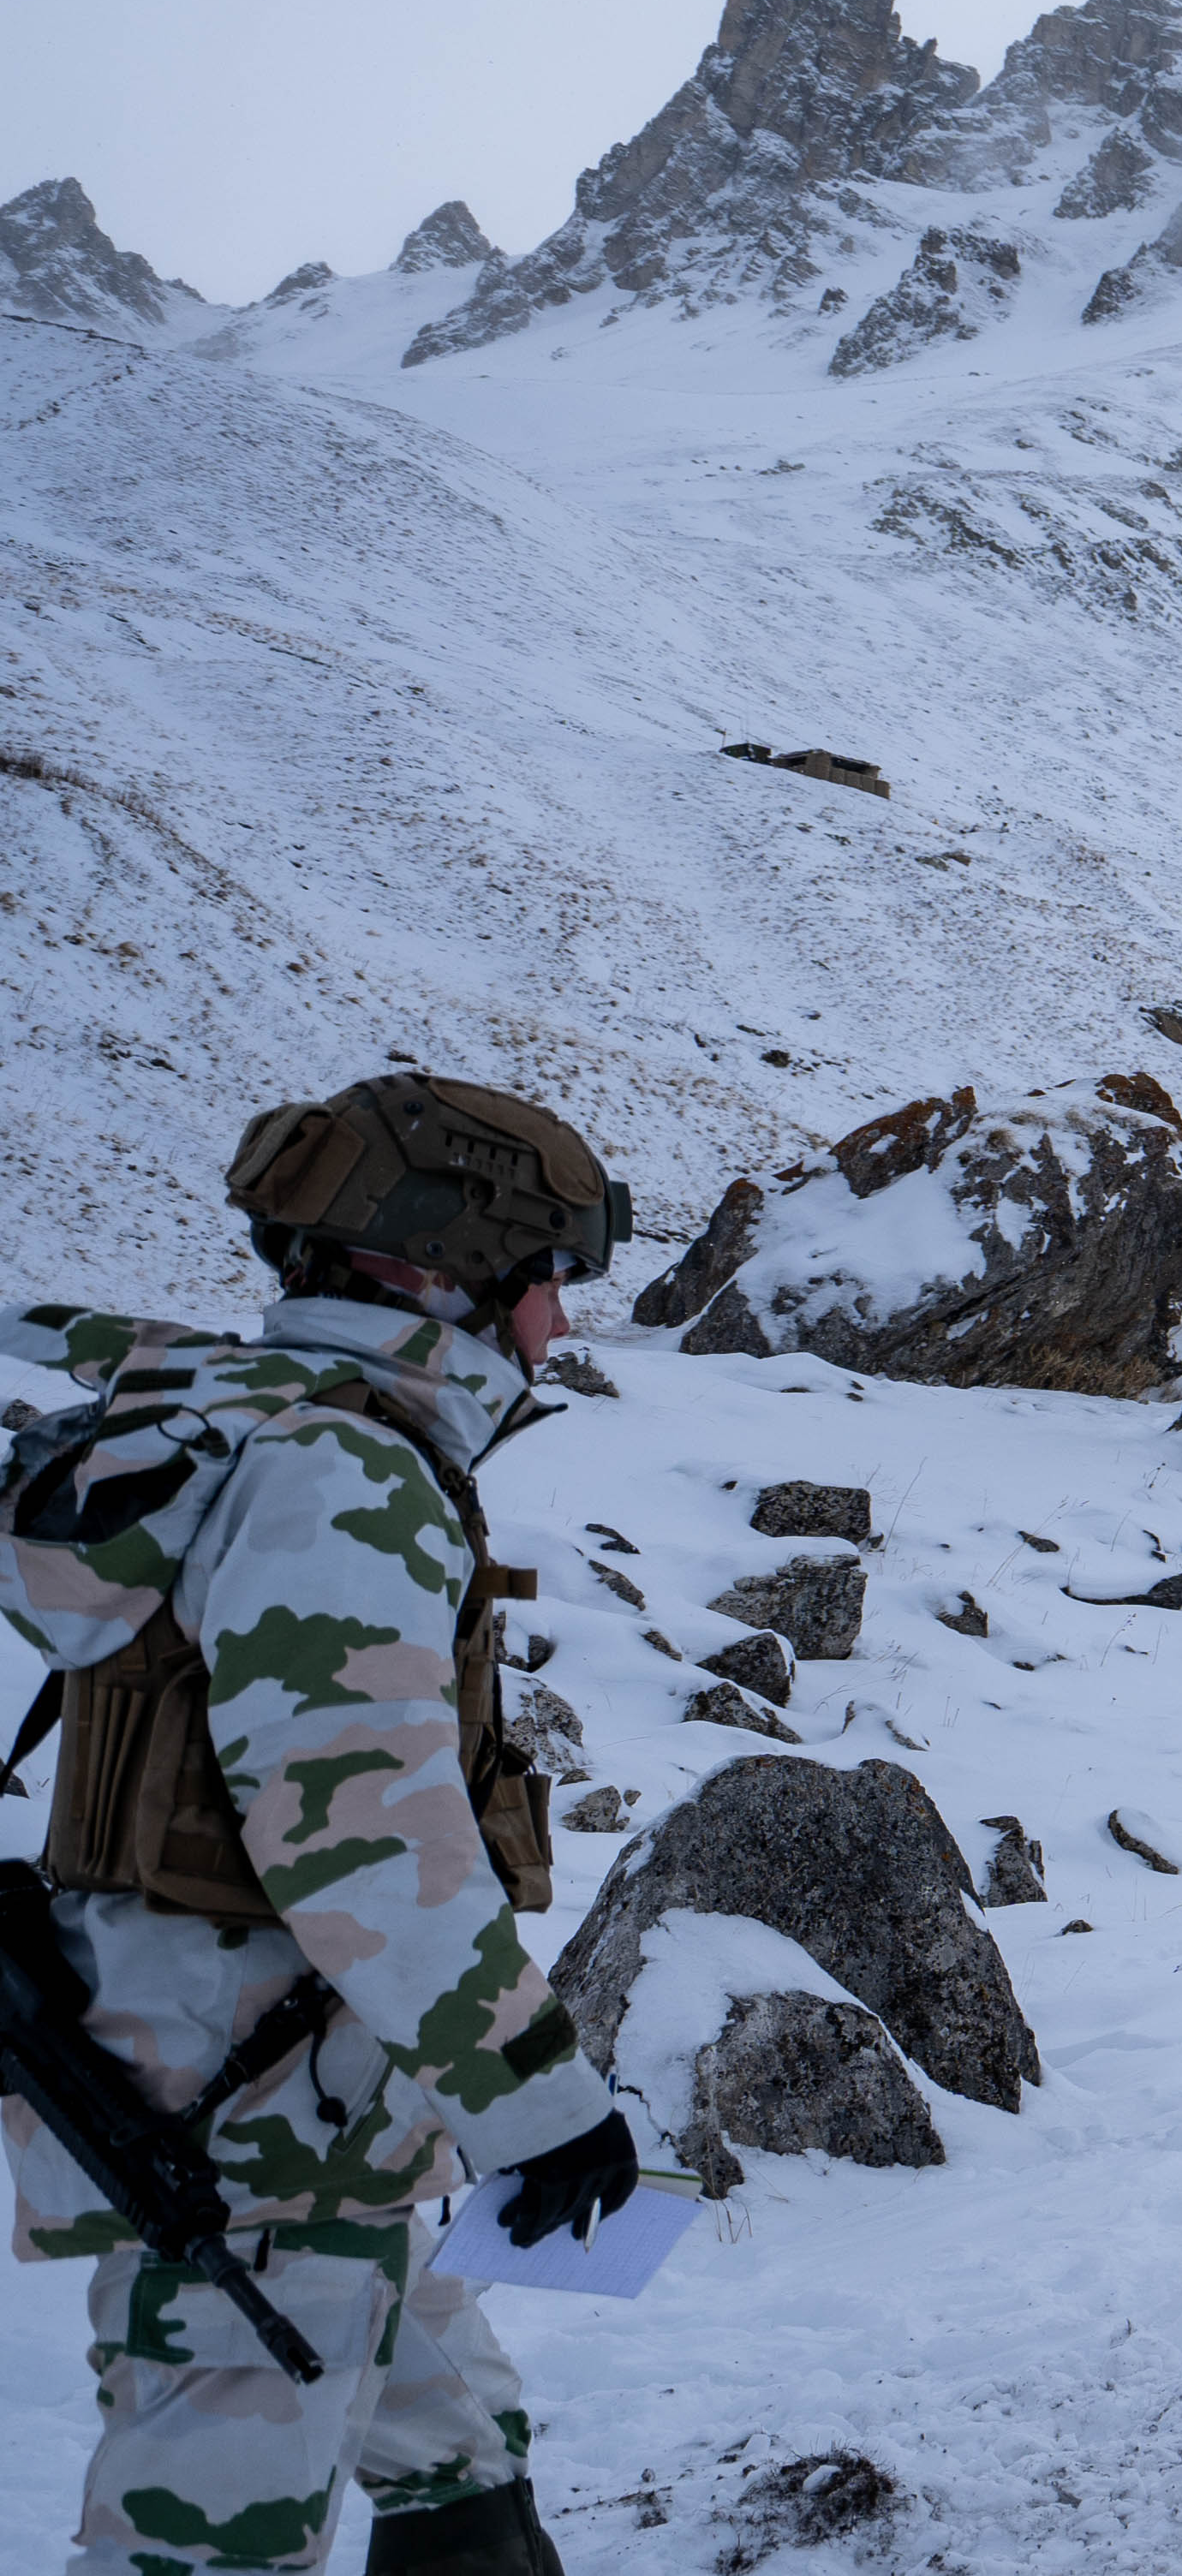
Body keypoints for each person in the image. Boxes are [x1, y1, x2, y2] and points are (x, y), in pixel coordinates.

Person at [2, 1075, 654, 2576]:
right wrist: (538, 2103)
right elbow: (360, 1830)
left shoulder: (218, 1419)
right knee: (212, 2535)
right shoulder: (345, 1475)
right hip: (248, 2124)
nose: (558, 1328)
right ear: (441, 1267)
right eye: (551, 1279)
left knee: (457, 2439)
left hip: (280, 2086)